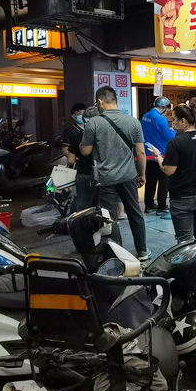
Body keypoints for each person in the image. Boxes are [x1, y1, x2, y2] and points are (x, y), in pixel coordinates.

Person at [80, 86, 148, 261]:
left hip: (105, 178)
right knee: (135, 213)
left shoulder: (94, 123)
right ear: (116, 100)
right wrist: (142, 174)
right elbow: (140, 153)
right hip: (128, 176)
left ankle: (116, 254)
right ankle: (142, 251)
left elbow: (85, 151)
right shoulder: (133, 122)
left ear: (100, 102)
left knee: (109, 217)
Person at [149, 98, 196, 243]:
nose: (173, 124)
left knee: (184, 239)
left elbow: (168, 170)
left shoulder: (175, 142)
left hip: (182, 196)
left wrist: (158, 156)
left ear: (183, 121)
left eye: (174, 120)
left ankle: (188, 265)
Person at [141, 97, 176, 216]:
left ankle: (149, 205)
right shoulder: (161, 119)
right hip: (161, 154)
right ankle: (162, 206)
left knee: (150, 182)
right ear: (164, 107)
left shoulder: (145, 116)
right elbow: (169, 136)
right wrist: (174, 131)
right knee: (163, 182)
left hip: (148, 154)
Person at [61, 103, 95, 211]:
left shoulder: (78, 137)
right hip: (103, 173)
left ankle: (82, 224)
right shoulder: (103, 136)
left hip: (83, 173)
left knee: (83, 204)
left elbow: (70, 160)